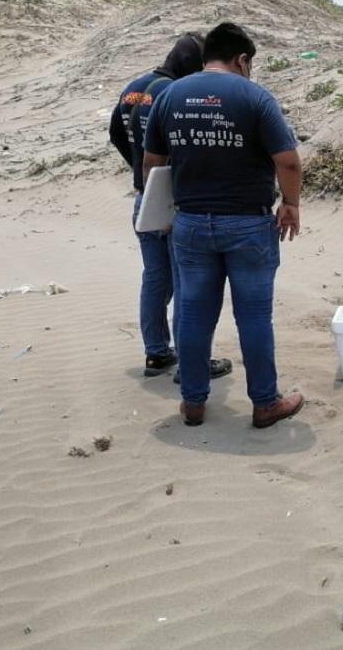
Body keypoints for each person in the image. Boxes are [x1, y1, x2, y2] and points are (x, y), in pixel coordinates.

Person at [143, 22, 305, 428]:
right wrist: (291, 203)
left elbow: (152, 164)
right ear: (243, 59)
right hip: (248, 225)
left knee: (194, 315)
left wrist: (162, 214)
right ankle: (265, 403)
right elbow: (287, 160)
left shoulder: (170, 95)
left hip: (191, 224)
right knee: (252, 316)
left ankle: (193, 402)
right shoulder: (254, 96)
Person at [109, 34, 233, 382]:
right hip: (173, 202)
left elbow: (119, 133)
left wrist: (139, 169)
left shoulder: (136, 87)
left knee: (155, 279)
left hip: (144, 199)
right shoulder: (176, 94)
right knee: (189, 285)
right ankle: (193, 362)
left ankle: (157, 353)